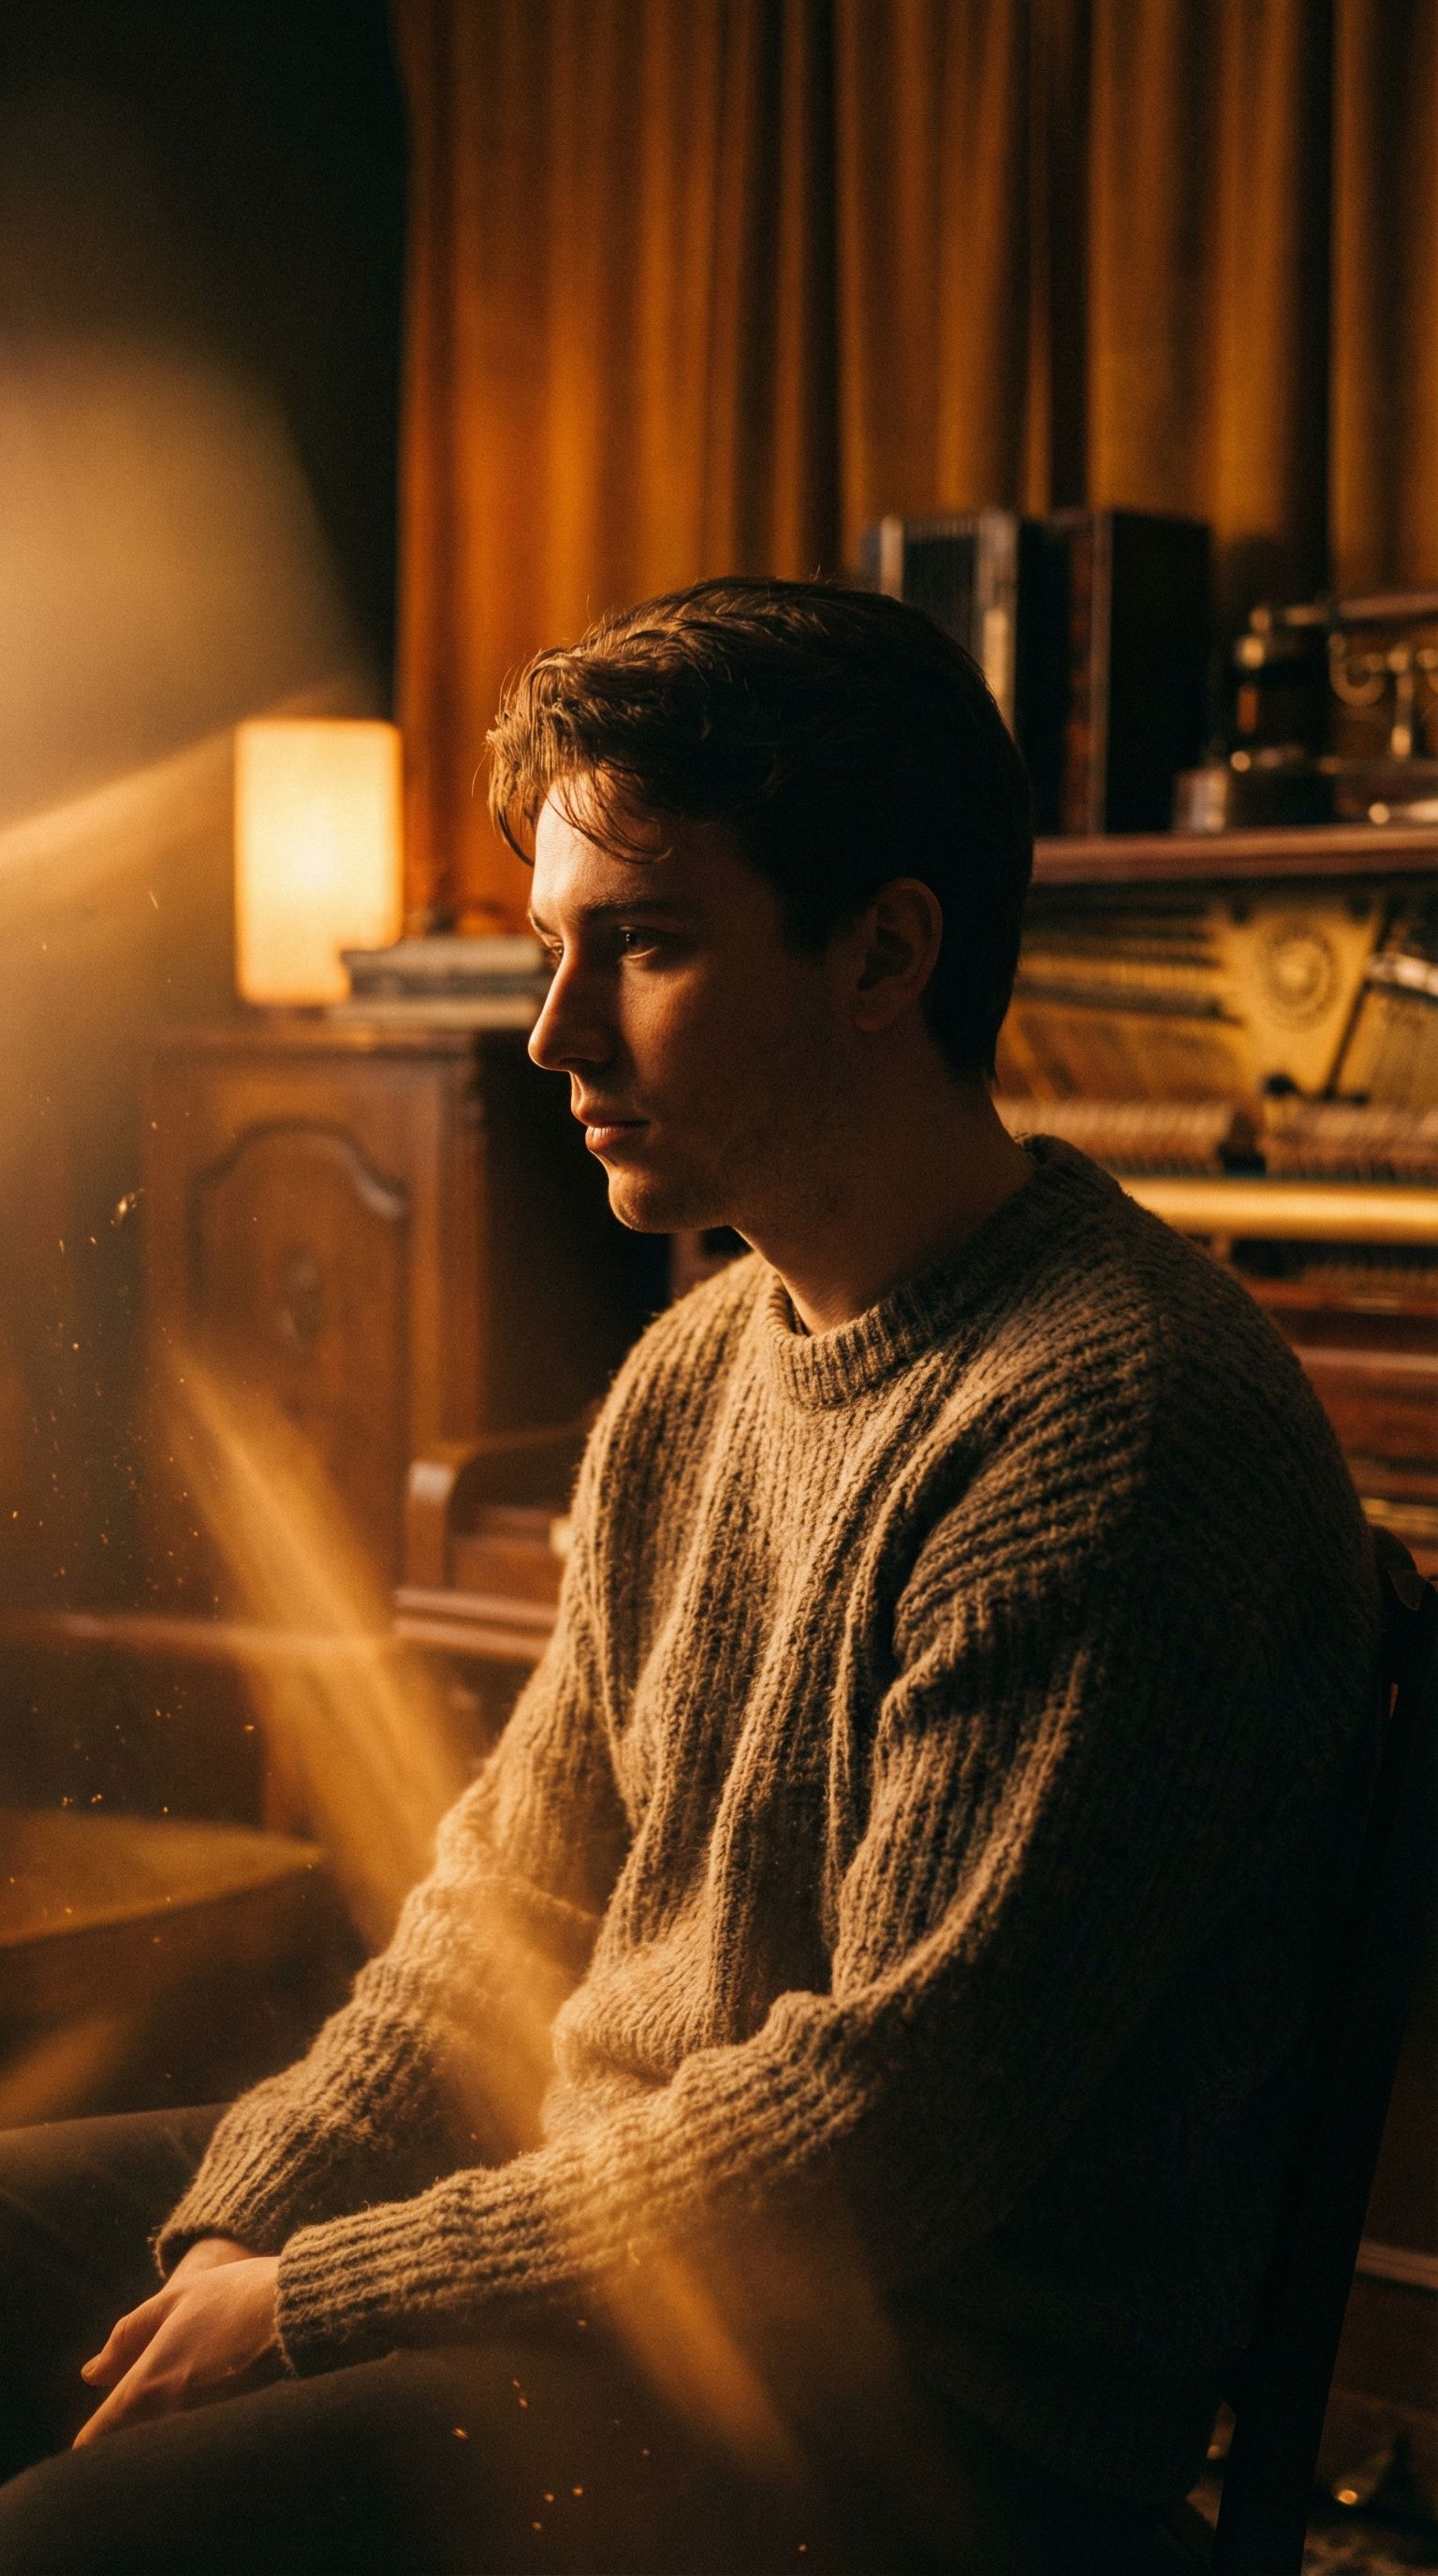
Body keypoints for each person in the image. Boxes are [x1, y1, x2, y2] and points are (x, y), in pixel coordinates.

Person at [0, 578, 1381, 2574]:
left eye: (642, 943)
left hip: (911, 2425)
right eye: (555, 944)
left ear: (884, 951)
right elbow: (511, 1901)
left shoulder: (1113, 1416)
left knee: (74, 2542)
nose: (554, 1029)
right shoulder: (692, 1364)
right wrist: (262, 2202)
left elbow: (872, 2138)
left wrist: (316, 2295)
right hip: (631, 2248)